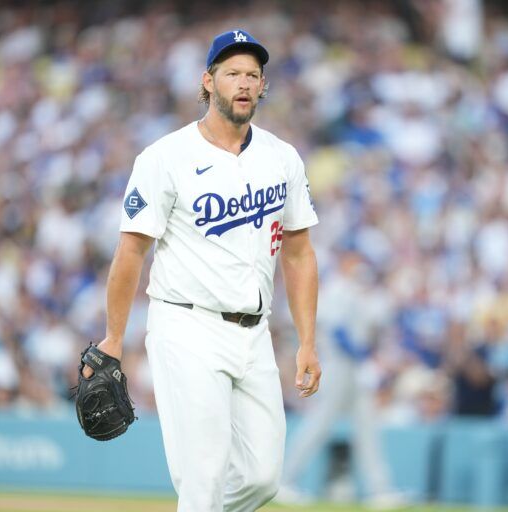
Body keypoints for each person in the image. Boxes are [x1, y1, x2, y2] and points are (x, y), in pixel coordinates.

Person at [83, 29, 321, 511]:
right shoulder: (165, 158)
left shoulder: (282, 158)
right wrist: (112, 337)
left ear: (263, 86)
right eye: (232, 72)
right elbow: (130, 253)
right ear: (208, 81)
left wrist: (307, 341)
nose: (244, 83)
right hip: (186, 325)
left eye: (253, 74)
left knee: (261, 479)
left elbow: (298, 253)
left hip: (253, 335)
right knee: (204, 475)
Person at [277, 250, 406, 507]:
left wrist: (365, 357)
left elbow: (372, 328)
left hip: (353, 369)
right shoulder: (336, 288)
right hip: (337, 365)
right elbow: (337, 331)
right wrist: (363, 357)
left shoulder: (357, 293)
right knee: (319, 424)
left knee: (367, 426)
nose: (359, 265)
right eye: (354, 260)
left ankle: (380, 491)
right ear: (345, 262)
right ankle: (284, 481)